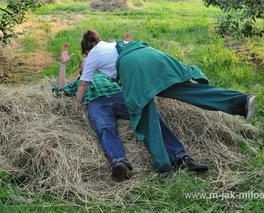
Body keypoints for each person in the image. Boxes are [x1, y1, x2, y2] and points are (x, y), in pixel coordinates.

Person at [75, 30, 256, 173]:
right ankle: (241, 102)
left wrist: (75, 106)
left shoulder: (91, 57)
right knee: (188, 90)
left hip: (135, 68)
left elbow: (83, 85)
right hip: (153, 55)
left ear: (85, 52)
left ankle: (164, 165)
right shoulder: (113, 44)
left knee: (144, 113)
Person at [53, 43, 208, 181]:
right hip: (96, 103)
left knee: (151, 116)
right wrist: (62, 65)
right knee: (104, 128)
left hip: (120, 97)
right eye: (85, 63)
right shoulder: (78, 83)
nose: (90, 63)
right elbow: (59, 90)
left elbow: (129, 71)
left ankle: (180, 157)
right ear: (81, 70)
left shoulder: (108, 75)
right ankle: (119, 163)